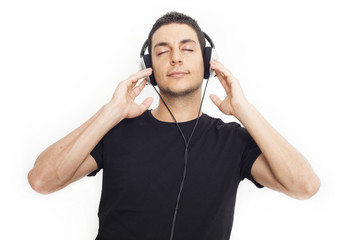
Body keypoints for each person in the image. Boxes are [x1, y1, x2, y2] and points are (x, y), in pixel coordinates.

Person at [27, 11, 321, 240]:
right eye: (162, 51)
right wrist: (110, 112)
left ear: (208, 62)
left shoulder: (233, 141)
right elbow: (42, 181)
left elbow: (305, 186)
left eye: (188, 48)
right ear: (150, 68)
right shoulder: (115, 132)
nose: (176, 57)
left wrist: (245, 110)